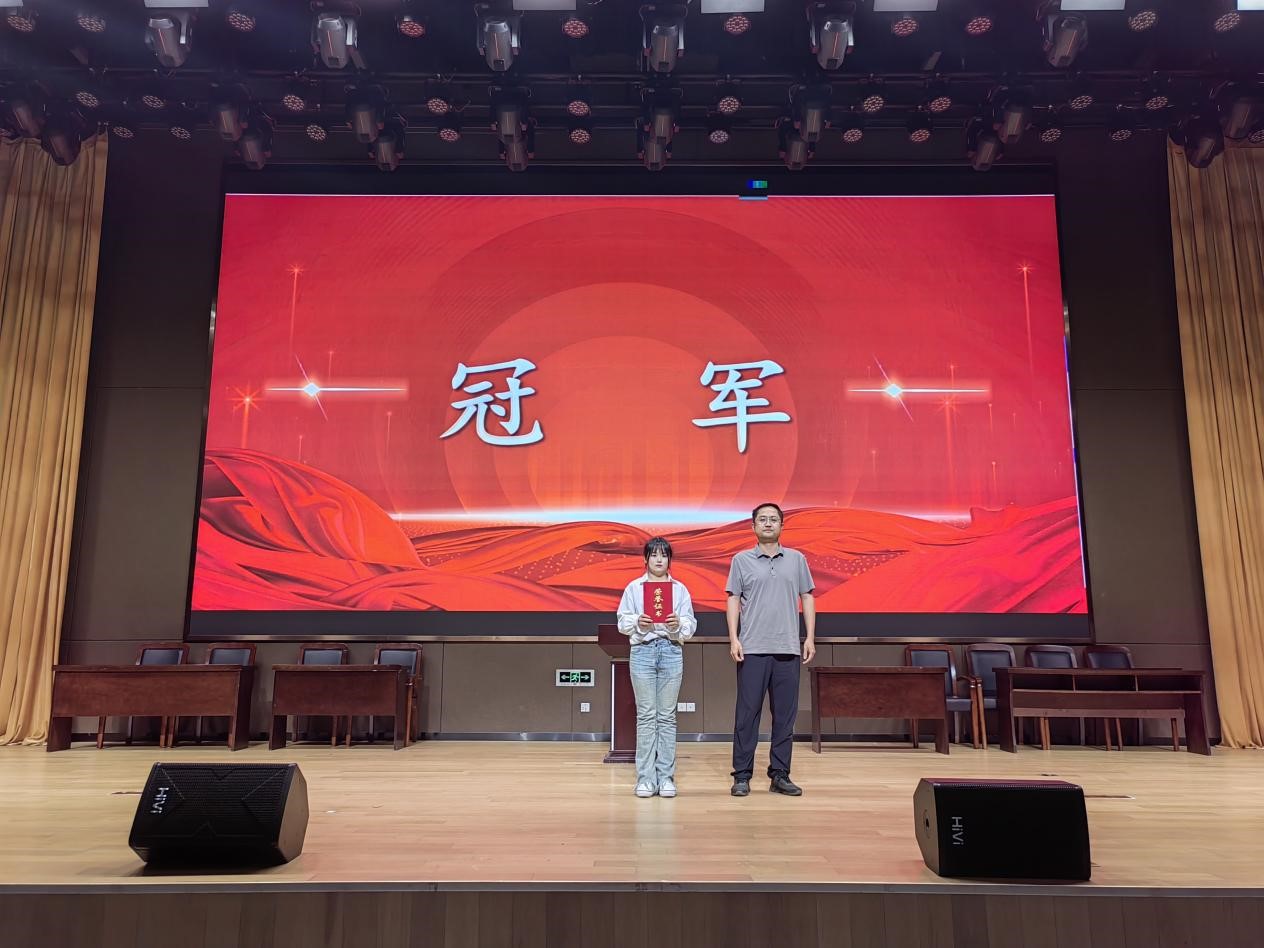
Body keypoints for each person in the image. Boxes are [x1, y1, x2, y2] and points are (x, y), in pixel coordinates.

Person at [726, 503, 816, 797]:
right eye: (762, 519)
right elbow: (733, 599)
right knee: (747, 715)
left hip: (788, 648)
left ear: (781, 525)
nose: (768, 523)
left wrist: (809, 637)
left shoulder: (797, 559)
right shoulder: (741, 560)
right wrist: (734, 638)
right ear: (753, 526)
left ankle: (780, 774)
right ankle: (742, 775)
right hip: (752, 648)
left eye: (773, 519)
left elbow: (807, 597)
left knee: (785, 717)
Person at [616, 537, 697, 798]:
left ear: (670, 560)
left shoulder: (680, 590)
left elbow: (690, 625)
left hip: (671, 650)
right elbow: (621, 622)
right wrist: (638, 622)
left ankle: (666, 778)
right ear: (646, 559)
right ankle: (646, 779)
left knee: (667, 716)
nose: (659, 560)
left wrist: (677, 625)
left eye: (664, 555)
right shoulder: (634, 588)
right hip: (642, 651)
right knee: (646, 715)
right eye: (654, 555)